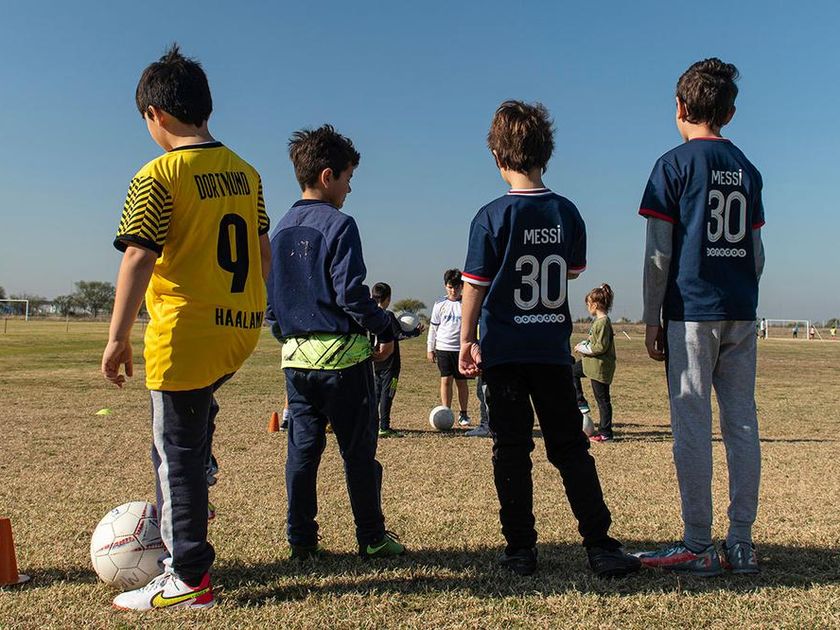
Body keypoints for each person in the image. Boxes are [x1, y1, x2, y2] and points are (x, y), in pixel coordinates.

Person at [101, 45, 270, 610]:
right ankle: (203, 463)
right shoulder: (247, 173)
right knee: (194, 424)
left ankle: (188, 578)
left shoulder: (159, 174)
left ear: (156, 115)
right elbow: (262, 252)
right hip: (238, 330)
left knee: (173, 455)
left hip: (185, 334)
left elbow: (138, 256)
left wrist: (117, 337)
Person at [459, 100, 641, 578]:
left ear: (497, 156)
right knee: (570, 448)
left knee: (511, 450)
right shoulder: (566, 212)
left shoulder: (490, 216)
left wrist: (466, 338)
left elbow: (475, 284)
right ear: (547, 153)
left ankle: (520, 550)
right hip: (552, 351)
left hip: (504, 352)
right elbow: (573, 271)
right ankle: (600, 545)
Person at [636, 58, 765, 576]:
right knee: (741, 422)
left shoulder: (672, 166)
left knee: (692, 424)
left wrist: (651, 318)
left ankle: (696, 542)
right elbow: (757, 253)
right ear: (729, 113)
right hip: (741, 311)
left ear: (680, 107)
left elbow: (659, 254)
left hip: (691, 312)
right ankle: (741, 542)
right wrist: (742, 297)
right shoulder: (747, 168)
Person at [266, 124, 405, 561]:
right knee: (358, 454)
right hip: (344, 365)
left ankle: (301, 541)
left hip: (296, 365)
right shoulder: (340, 225)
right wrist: (386, 327)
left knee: (302, 453)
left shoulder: (278, 230)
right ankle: (372, 538)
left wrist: (289, 334)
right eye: (348, 178)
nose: (349, 189)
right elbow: (350, 296)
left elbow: (271, 304)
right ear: (328, 176)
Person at [370, 282, 425, 437]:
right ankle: (384, 427)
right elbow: (398, 335)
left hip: (375, 361)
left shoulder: (369, 315)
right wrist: (416, 332)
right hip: (391, 363)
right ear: (388, 298)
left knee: (376, 393)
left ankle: (372, 425)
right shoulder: (387, 315)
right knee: (388, 394)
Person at [573, 284, 617, 442]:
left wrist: (582, 348)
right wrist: (583, 344)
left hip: (599, 367)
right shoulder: (598, 322)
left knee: (603, 400)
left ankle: (606, 433)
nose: (587, 308)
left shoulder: (603, 322)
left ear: (595, 305)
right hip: (590, 364)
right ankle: (581, 402)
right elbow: (594, 341)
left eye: (588, 304)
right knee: (571, 371)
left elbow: (600, 347)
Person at [427, 270, 472, 426]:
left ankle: (463, 414)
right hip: (443, 348)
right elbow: (433, 328)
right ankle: (446, 412)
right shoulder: (439, 304)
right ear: (445, 286)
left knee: (461, 382)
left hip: (461, 349)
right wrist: (430, 348)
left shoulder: (467, 303)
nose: (453, 291)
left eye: (457, 287)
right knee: (446, 380)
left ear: (462, 286)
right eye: (450, 287)